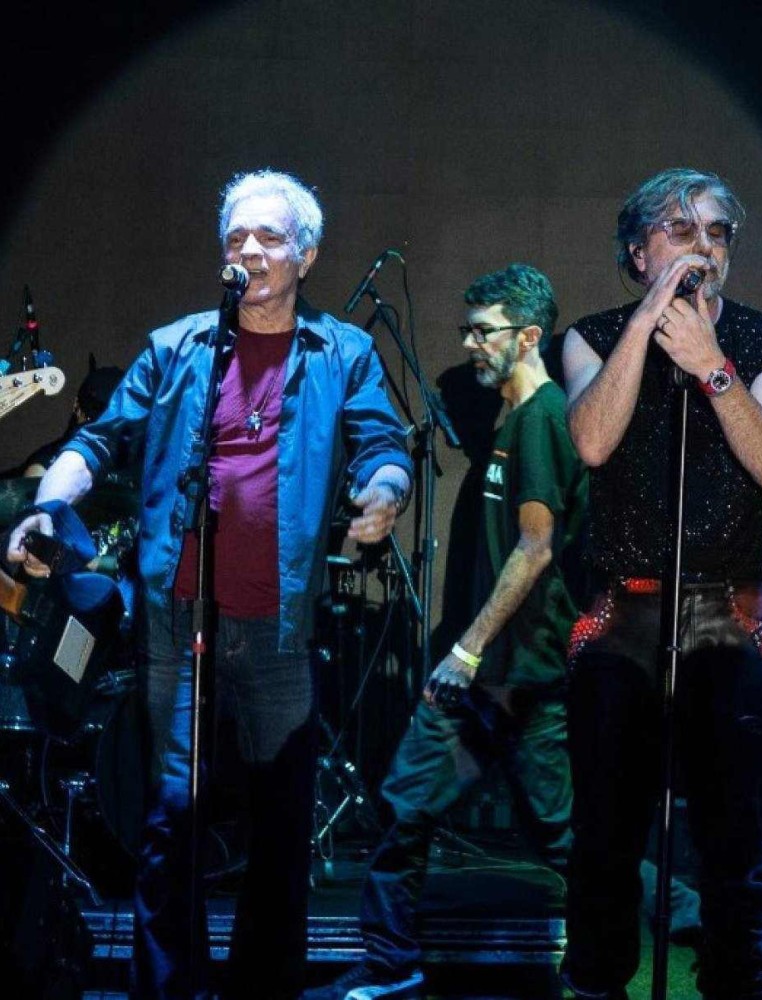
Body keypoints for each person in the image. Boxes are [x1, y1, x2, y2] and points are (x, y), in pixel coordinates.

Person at [5, 169, 413, 1000]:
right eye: (235, 237)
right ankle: (168, 989)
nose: (249, 250)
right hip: (175, 622)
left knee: (280, 829)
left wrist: (385, 493)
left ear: (306, 255)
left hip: (278, 627)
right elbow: (100, 441)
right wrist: (47, 506)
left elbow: (383, 443)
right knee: (172, 820)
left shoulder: (343, 352)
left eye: (269, 237)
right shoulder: (178, 346)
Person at [559, 168, 762, 1000]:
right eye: (680, 229)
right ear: (638, 253)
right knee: (604, 837)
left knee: (736, 839)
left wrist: (712, 366)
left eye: (717, 232)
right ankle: (598, 984)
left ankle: (740, 985)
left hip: (730, 608)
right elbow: (592, 443)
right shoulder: (592, 338)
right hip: (621, 608)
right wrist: (647, 329)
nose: (704, 245)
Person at [319, 264, 587, 1000]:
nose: (469, 343)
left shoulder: (543, 421)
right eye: (467, 329)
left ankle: (688, 923)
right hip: (484, 676)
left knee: (563, 836)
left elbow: (536, 550)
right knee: (408, 804)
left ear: (528, 337)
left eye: (483, 330)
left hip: (518, 675)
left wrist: (466, 651)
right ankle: (390, 964)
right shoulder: (509, 423)